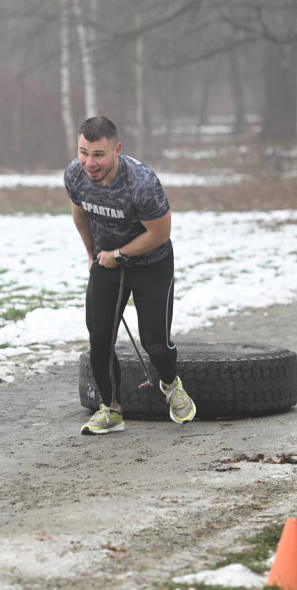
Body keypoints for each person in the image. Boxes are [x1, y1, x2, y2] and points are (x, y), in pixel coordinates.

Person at [64, 116, 196, 435]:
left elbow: (160, 233)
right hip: (107, 263)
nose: (89, 163)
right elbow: (80, 212)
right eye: (83, 152)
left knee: (155, 343)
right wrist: (93, 254)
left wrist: (119, 254)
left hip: (153, 264)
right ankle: (111, 410)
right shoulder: (74, 176)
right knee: (100, 340)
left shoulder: (141, 183)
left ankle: (169, 384)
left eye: (98, 154)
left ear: (117, 150)